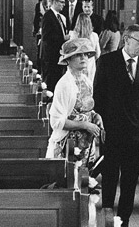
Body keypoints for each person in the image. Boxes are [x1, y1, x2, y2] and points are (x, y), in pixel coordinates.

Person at [93, 24, 139, 227]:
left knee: (130, 182)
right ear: (126, 40)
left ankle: (124, 223)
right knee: (110, 179)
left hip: (136, 134)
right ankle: (107, 221)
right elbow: (98, 98)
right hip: (111, 133)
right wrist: (100, 126)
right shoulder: (107, 62)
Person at [44, 38, 105, 167]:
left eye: (85, 55)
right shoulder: (64, 84)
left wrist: (95, 116)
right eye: (78, 55)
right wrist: (85, 125)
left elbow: (85, 108)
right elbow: (56, 122)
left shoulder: (86, 81)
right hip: (68, 145)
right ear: (68, 60)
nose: (83, 58)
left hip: (85, 143)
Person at [39, 0, 69, 89]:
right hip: (50, 56)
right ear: (55, 2)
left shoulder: (59, 16)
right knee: (50, 82)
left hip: (57, 55)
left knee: (57, 81)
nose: (64, 4)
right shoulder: (48, 16)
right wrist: (63, 38)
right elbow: (46, 37)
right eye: (62, 2)